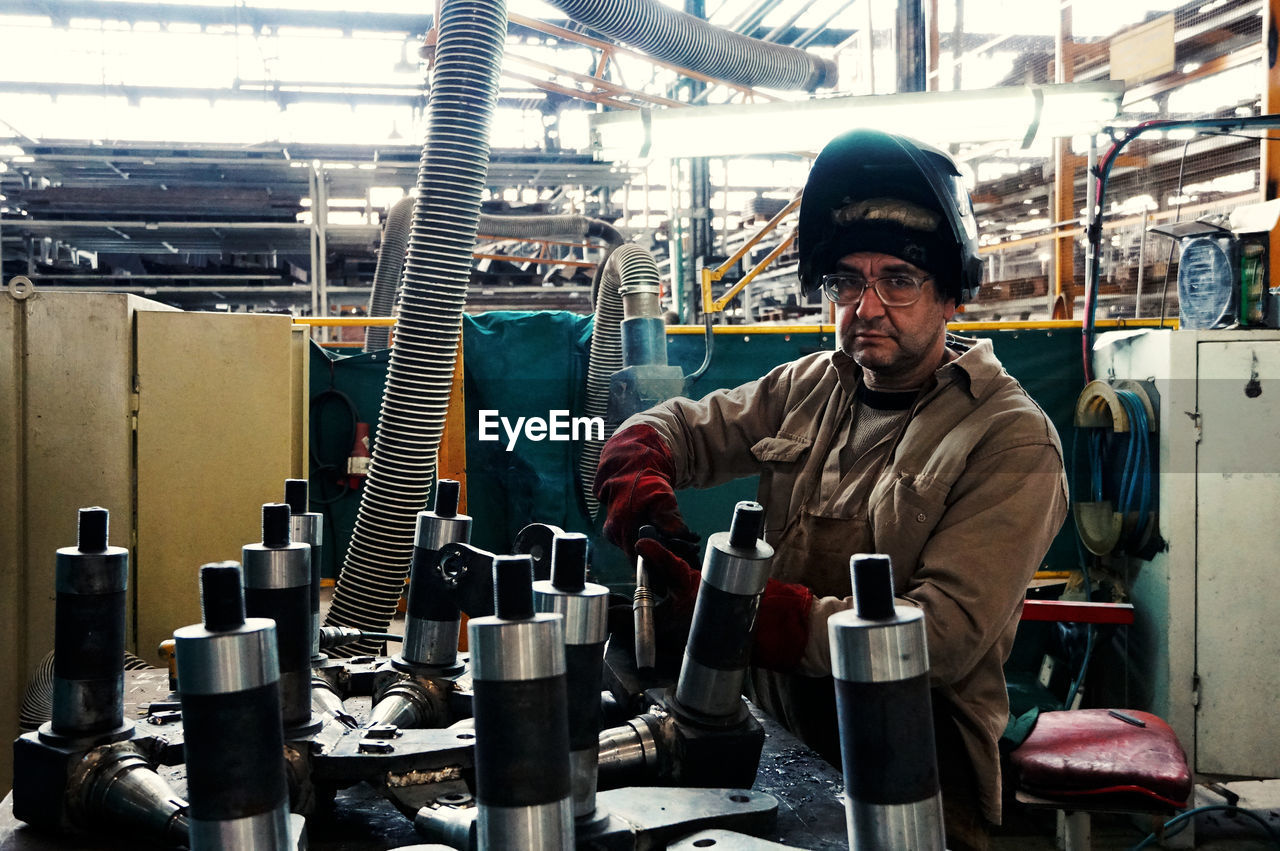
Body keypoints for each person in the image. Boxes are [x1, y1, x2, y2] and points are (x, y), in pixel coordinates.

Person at [594, 128, 1068, 850]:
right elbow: (685, 429)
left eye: (898, 280)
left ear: (949, 294)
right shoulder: (812, 384)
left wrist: (744, 618)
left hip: (918, 777)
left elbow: (940, 635)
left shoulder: (1009, 437)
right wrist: (638, 468)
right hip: (778, 749)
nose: (866, 305)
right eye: (847, 280)